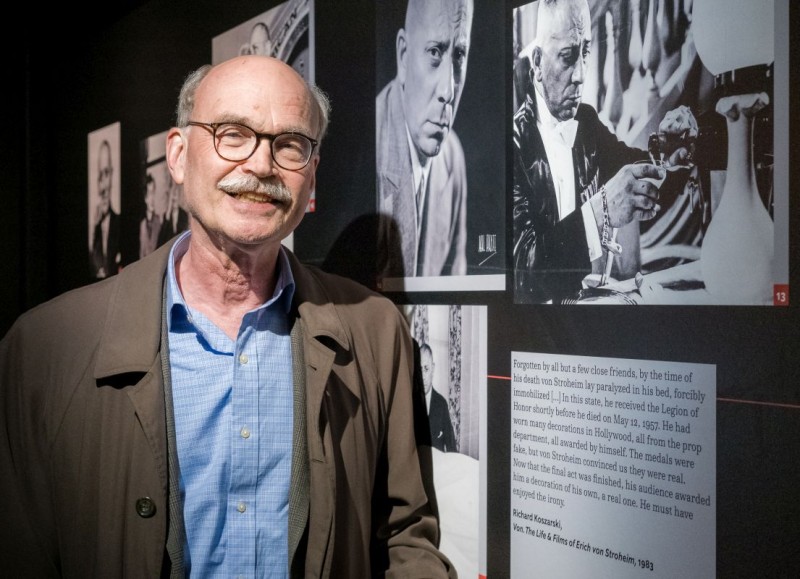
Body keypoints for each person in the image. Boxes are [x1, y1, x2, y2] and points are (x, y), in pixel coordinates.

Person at [0, 55, 456, 578]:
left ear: (311, 175)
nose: (262, 166)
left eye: (289, 144)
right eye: (233, 134)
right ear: (177, 155)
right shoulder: (43, 350)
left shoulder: (376, 332)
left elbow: (407, 535)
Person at [512, 0, 697, 303]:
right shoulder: (515, 146)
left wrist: (667, 150)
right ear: (536, 63)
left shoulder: (586, 123)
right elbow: (523, 277)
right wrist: (601, 212)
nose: (581, 75)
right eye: (568, 57)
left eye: (584, 53)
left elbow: (639, 172)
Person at [376, 0, 473, 278]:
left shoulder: (453, 156)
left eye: (459, 56)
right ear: (404, 57)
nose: (448, 90)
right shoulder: (370, 149)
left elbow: (457, 282)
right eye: (434, 52)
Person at [89, 138, 121, 279]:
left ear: (112, 175)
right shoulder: (94, 228)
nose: (103, 183)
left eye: (107, 173)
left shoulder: (119, 222)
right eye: (100, 175)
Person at [420, 342, 457, 453]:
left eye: (426, 369)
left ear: (433, 369)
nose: (422, 376)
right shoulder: (408, 404)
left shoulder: (441, 404)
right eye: (419, 369)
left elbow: (452, 448)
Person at [157, 173, 190, 247]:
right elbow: (162, 239)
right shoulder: (167, 216)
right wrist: (168, 212)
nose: (174, 197)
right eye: (172, 195)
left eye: (176, 193)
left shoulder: (184, 215)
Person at [139, 172, 162, 258]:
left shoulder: (159, 222)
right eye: (149, 194)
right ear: (145, 198)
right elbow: (141, 254)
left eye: (153, 193)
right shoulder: (142, 225)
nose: (152, 199)